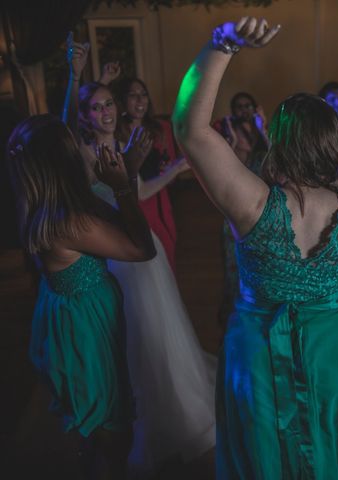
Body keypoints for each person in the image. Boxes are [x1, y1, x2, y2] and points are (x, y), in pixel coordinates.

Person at [173, 17, 338, 479]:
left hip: (259, 352)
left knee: (264, 453)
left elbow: (190, 130)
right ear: (334, 143)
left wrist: (223, 45)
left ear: (279, 140)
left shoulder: (253, 203)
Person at [63, 37, 216, 475]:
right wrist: (76, 74)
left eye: (109, 103)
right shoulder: (85, 154)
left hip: (143, 248)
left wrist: (172, 170)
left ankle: (176, 408)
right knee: (133, 336)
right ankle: (133, 412)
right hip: (115, 254)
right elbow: (67, 137)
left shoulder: (125, 144)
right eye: (97, 107)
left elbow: (140, 193)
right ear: (84, 115)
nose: (107, 111)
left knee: (159, 331)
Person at [6, 114, 156, 479]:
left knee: (98, 416)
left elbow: (115, 221)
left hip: (73, 313)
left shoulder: (38, 198)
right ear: (66, 159)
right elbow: (141, 248)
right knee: (109, 423)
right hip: (85, 328)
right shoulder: (68, 220)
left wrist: (130, 174)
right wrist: (121, 187)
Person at [113, 76, 186, 272]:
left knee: (168, 255)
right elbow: (140, 190)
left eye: (144, 95)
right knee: (151, 264)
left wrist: (172, 167)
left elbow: (167, 164)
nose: (140, 100)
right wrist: (176, 168)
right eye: (133, 95)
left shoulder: (160, 128)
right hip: (139, 206)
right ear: (122, 101)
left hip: (161, 200)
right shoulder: (117, 136)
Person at [213, 91, 270, 328]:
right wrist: (233, 144)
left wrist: (262, 128)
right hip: (236, 208)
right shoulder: (230, 134)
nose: (244, 110)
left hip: (262, 208)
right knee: (233, 266)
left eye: (248, 105)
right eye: (239, 106)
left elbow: (275, 160)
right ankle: (232, 318)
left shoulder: (260, 135)